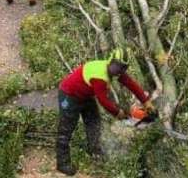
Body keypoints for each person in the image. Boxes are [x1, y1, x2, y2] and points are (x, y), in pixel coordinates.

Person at [56, 48, 155, 176]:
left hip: (85, 95)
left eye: (123, 68)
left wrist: (146, 101)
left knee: (94, 121)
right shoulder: (100, 75)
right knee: (66, 128)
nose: (120, 71)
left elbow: (131, 84)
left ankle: (94, 150)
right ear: (111, 61)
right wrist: (117, 112)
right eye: (118, 67)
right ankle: (62, 163)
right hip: (69, 95)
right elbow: (103, 101)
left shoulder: (115, 70)